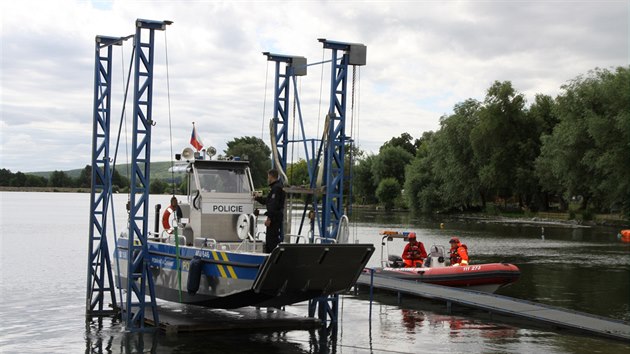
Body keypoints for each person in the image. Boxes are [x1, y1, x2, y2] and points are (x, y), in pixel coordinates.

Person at [254, 169, 286, 253]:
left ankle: (272, 257)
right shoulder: (276, 187)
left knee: (271, 239)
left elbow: (273, 205)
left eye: (268, 177)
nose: (267, 179)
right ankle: (273, 255)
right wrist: (258, 198)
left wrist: (269, 218)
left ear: (271, 177)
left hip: (274, 218)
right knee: (272, 237)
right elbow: (268, 201)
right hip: (276, 216)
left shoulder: (276, 188)